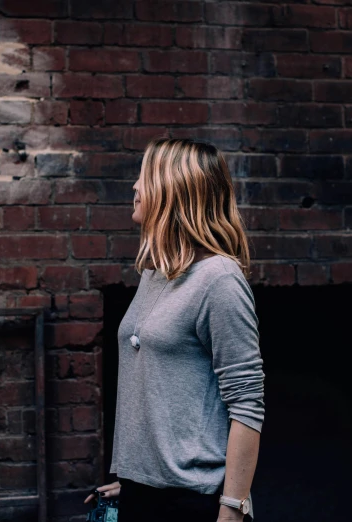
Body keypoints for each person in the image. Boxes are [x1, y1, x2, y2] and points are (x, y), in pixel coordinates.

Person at [83, 138, 265, 522]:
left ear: (175, 191)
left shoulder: (220, 280)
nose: (134, 187)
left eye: (145, 177)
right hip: (146, 494)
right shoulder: (155, 272)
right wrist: (138, 483)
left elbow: (247, 404)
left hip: (196, 502)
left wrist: (232, 510)